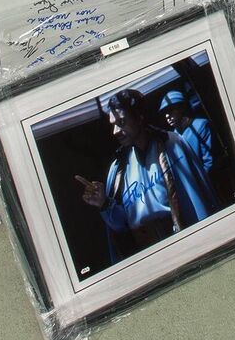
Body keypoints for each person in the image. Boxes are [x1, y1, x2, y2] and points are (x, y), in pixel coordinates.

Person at [75, 88, 218, 258]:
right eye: (113, 124)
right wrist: (104, 203)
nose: (115, 131)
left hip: (182, 245)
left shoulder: (171, 144)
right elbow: (123, 226)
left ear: (139, 117)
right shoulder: (119, 167)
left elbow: (196, 201)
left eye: (121, 122)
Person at [158, 89, 214, 174]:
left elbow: (209, 162)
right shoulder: (173, 136)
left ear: (182, 109)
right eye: (165, 112)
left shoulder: (201, 125)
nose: (167, 116)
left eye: (170, 110)